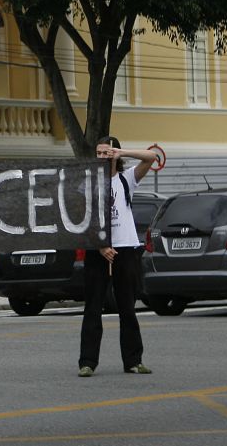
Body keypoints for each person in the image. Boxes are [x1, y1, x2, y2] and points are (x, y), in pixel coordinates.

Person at [78, 137, 158, 378]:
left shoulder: (126, 179)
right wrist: (101, 246)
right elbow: (83, 220)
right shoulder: (88, 184)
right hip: (98, 251)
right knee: (93, 308)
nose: (102, 157)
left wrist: (121, 151)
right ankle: (88, 362)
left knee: (127, 308)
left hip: (126, 250)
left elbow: (151, 157)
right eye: (99, 153)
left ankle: (133, 360)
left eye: (107, 153)